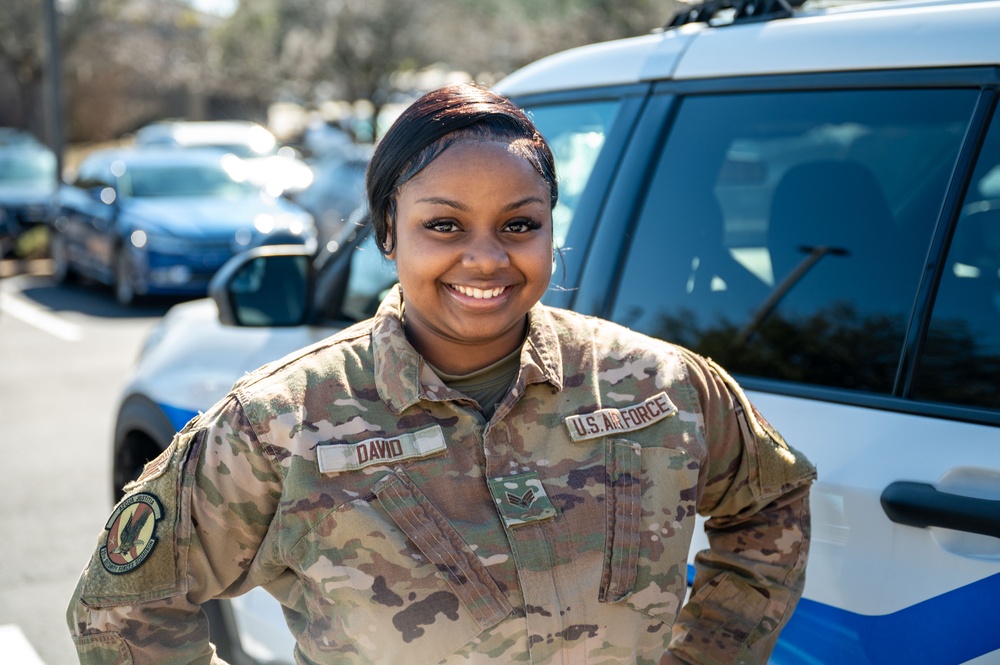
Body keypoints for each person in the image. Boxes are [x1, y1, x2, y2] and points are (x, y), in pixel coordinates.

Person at [67, 83, 816, 665]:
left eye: (520, 225)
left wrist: (708, 651)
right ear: (388, 233)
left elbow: (771, 499)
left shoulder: (660, 386)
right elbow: (122, 606)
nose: (487, 258)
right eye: (444, 225)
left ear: (554, 231)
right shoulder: (282, 422)